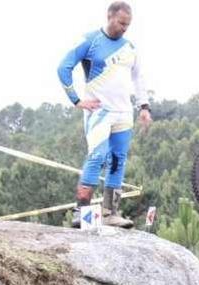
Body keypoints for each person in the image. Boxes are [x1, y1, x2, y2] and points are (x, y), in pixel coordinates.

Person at [57, 1, 151, 228]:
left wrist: (144, 107)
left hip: (123, 113)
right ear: (109, 17)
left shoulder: (130, 48)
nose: (124, 28)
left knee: (118, 161)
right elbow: (63, 67)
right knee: (97, 157)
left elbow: (138, 79)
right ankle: (81, 211)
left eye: (128, 25)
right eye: (121, 23)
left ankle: (111, 213)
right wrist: (77, 100)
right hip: (99, 112)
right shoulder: (90, 41)